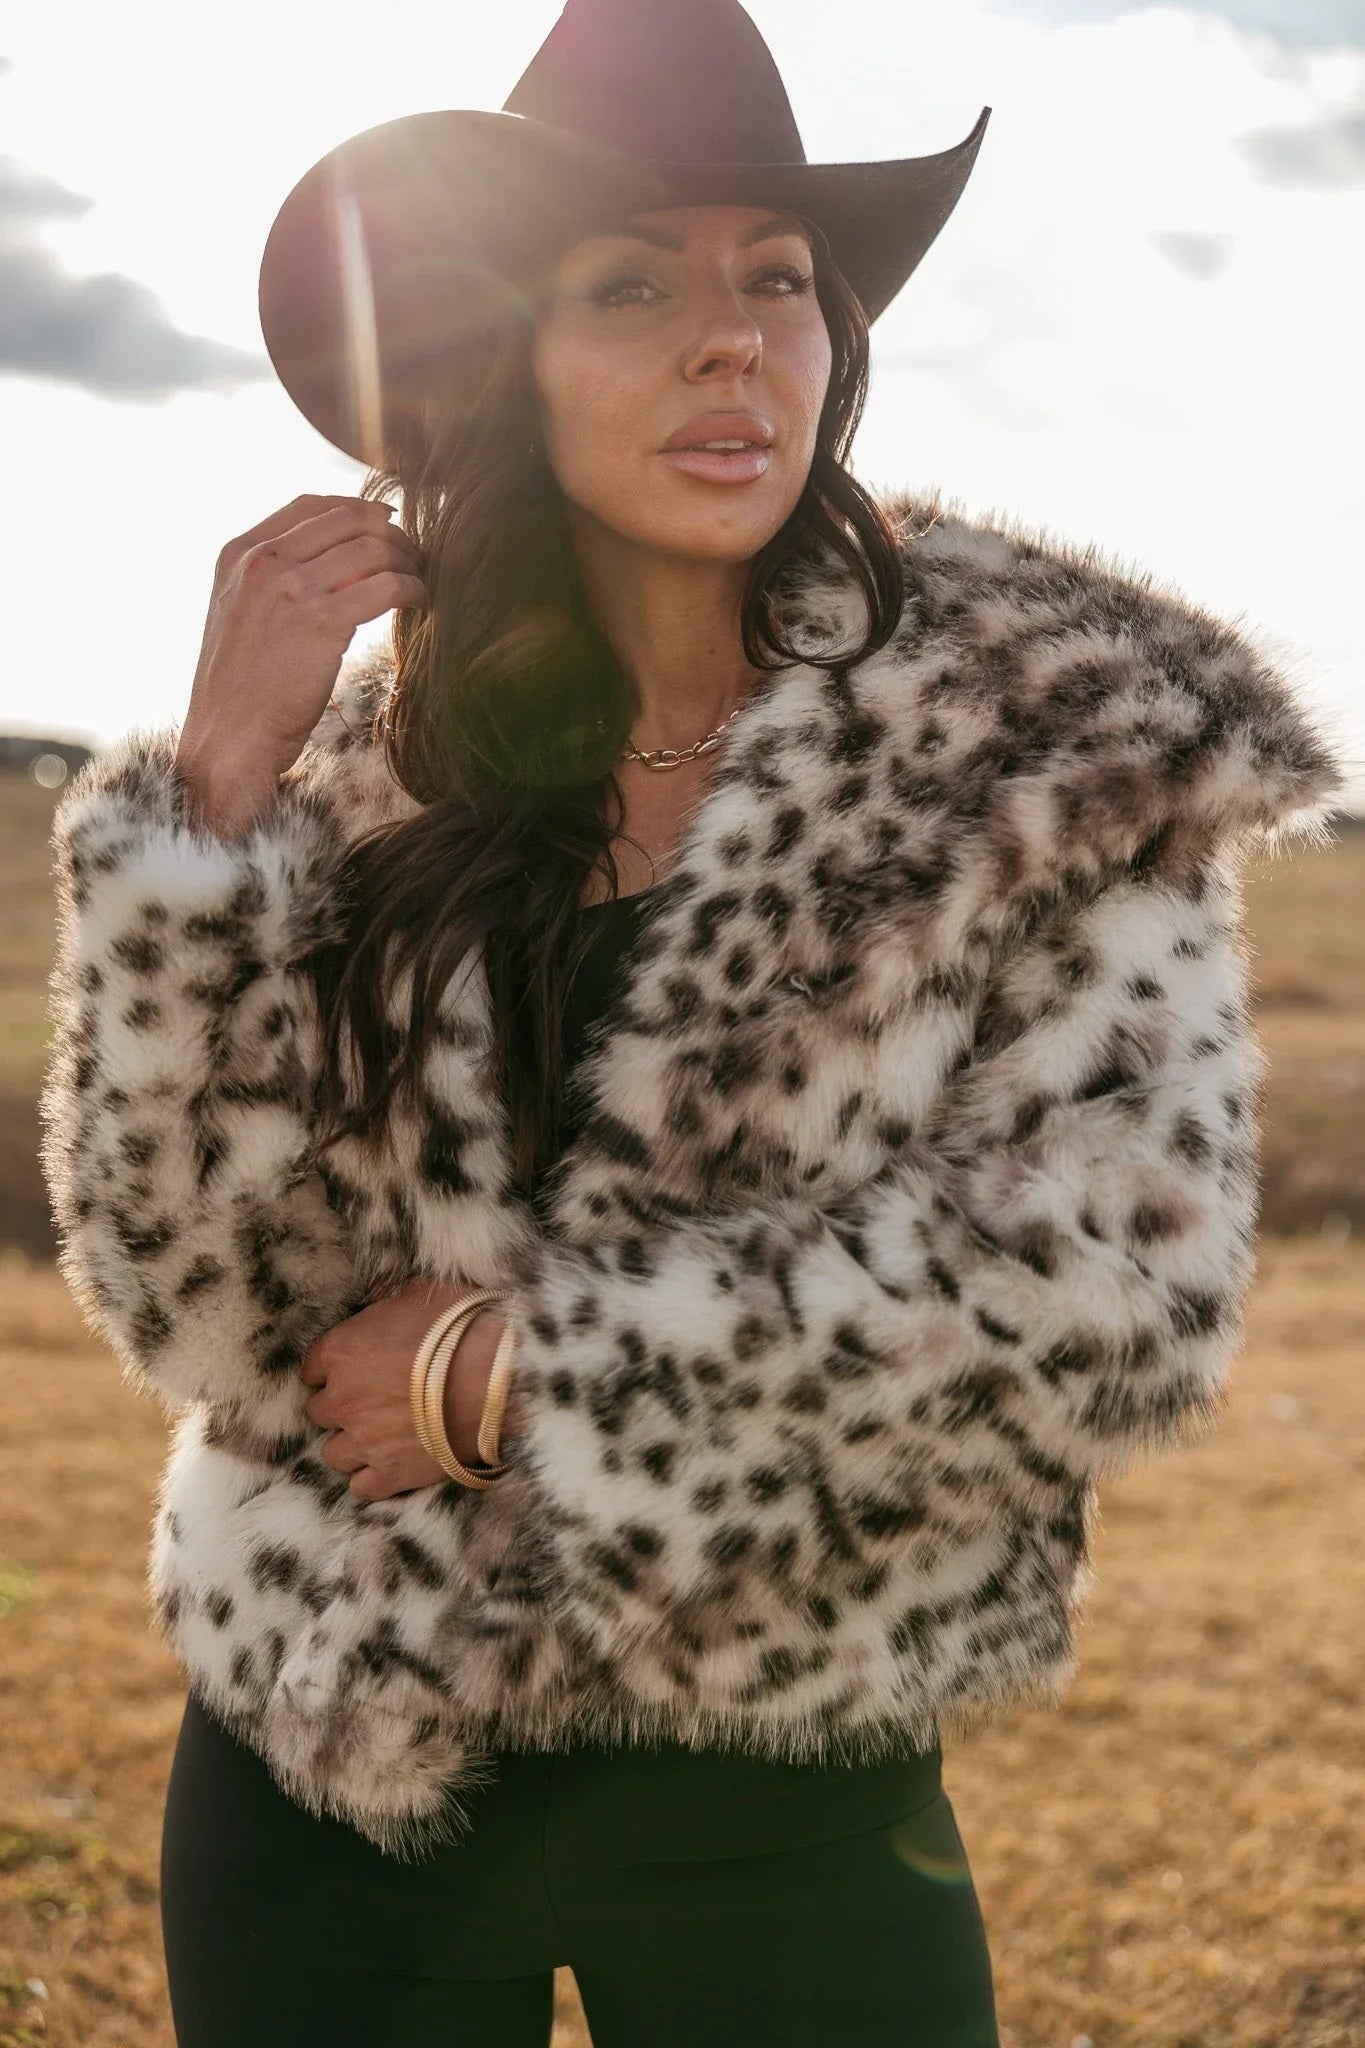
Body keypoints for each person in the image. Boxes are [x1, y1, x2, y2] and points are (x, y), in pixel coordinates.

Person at [37, 3, 1344, 2044]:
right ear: (501, 367)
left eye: (777, 281)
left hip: (787, 1781)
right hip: (338, 1759)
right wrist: (209, 799)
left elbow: (1113, 1277)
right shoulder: (381, 781)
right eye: (631, 285)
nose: (732, 341)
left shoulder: (1035, 759)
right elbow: (188, 1299)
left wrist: (519, 1366)